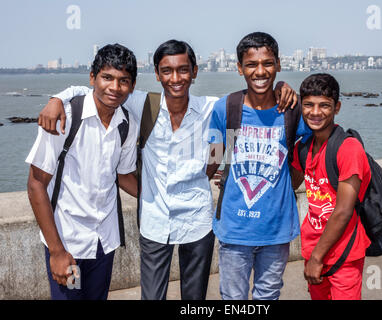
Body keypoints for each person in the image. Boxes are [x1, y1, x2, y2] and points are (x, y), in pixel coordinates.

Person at [36, 40, 298, 300]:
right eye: (167, 71)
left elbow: (234, 126)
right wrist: (57, 98)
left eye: (183, 70)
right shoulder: (142, 104)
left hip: (198, 221)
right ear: (157, 74)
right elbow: (102, 89)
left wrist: (282, 87)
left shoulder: (211, 108)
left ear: (195, 72)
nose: (176, 78)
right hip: (155, 222)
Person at [26, 44, 139, 300]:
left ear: (132, 86)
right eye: (107, 77)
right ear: (92, 78)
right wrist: (56, 252)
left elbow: (122, 175)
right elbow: (36, 184)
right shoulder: (65, 116)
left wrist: (156, 197)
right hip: (69, 243)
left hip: (104, 243)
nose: (114, 87)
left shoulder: (127, 124)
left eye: (124, 81)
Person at [206, 32, 312, 300]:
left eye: (267, 63)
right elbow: (216, 156)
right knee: (233, 297)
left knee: (269, 294)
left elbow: (311, 148)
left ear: (278, 64)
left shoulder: (291, 110)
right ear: (240, 68)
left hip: (276, 228)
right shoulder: (226, 108)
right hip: (234, 228)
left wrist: (287, 185)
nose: (260, 71)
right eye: (251, 64)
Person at [291, 73, 382, 300]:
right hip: (313, 246)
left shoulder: (348, 149)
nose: (315, 112)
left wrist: (317, 259)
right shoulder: (302, 147)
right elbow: (288, 183)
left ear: (337, 107)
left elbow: (343, 211)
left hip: (344, 253)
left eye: (325, 105)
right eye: (309, 105)